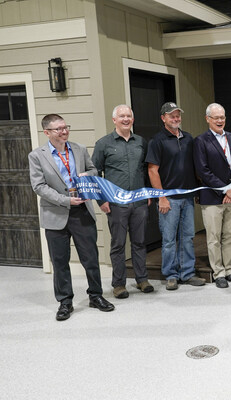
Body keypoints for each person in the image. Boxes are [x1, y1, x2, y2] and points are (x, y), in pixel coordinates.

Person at [28, 114, 115, 321]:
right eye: (58, 129)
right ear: (47, 132)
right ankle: (65, 302)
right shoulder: (36, 156)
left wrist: (86, 177)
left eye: (65, 127)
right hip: (55, 214)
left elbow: (93, 169)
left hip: (82, 211)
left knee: (91, 258)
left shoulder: (79, 149)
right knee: (59, 262)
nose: (64, 131)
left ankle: (96, 296)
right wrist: (66, 200)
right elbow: (39, 186)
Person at [92, 105, 153, 299]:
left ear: (132, 119)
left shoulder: (141, 142)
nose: (126, 119)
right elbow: (95, 174)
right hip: (116, 202)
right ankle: (118, 284)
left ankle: (142, 279)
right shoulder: (104, 144)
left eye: (129, 116)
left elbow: (146, 170)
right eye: (122, 116)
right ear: (114, 120)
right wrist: (101, 200)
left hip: (139, 201)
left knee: (140, 242)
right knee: (118, 244)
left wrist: (148, 193)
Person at [146, 102, 205, 291]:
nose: (176, 118)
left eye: (178, 115)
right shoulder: (157, 141)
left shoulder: (188, 138)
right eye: (172, 115)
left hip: (187, 197)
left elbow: (194, 167)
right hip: (168, 199)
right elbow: (152, 171)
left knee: (187, 237)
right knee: (169, 239)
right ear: (163, 118)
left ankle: (187, 273)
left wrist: (196, 191)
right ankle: (171, 274)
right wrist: (161, 197)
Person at [193, 103, 231, 288]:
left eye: (222, 117)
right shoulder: (201, 141)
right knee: (214, 237)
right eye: (216, 117)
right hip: (212, 199)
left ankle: (230, 269)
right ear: (208, 119)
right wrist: (225, 190)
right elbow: (203, 171)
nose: (220, 121)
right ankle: (219, 273)